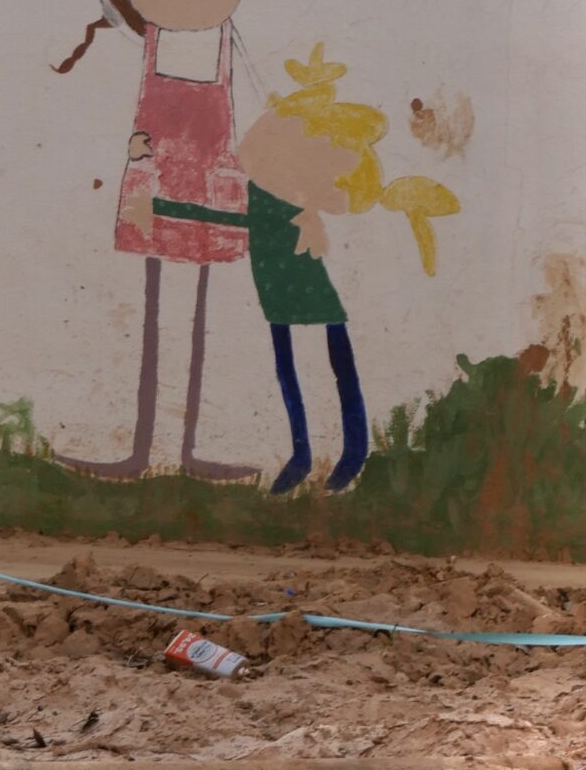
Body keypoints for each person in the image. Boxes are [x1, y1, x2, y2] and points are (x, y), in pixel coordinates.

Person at [123, 45, 459, 494]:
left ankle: (351, 450)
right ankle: (304, 454)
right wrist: (158, 207)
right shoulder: (266, 194)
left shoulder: (288, 200)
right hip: (276, 294)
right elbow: (226, 217)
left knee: (331, 367)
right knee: (293, 372)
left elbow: (226, 218)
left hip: (306, 291)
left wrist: (159, 208)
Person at [55, 0, 270, 481]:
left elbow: (266, 110)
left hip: (211, 189)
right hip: (152, 187)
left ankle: (187, 449)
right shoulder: (134, 43)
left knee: (197, 318)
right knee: (151, 314)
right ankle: (142, 449)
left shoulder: (238, 50)